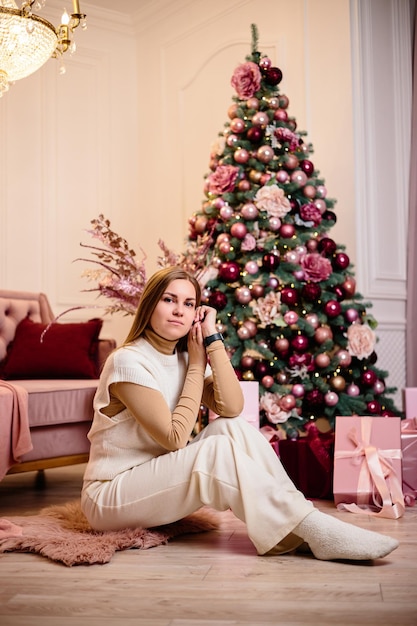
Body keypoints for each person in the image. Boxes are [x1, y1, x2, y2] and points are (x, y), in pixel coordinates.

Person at [81, 266, 398, 561]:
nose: (179, 310)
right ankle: (314, 529)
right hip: (110, 496)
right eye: (169, 300)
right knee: (215, 451)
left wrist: (212, 339)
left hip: (155, 480)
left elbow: (232, 408)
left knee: (231, 428)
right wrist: (195, 365)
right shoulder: (129, 361)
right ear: (150, 304)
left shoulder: (182, 359)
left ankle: (303, 522)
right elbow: (175, 438)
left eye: (189, 304)